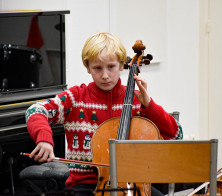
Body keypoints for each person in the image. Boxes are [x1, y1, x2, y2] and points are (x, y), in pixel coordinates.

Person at [25, 32, 182, 196]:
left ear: (122, 65)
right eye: (98, 68)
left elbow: (175, 135)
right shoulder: (76, 98)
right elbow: (36, 110)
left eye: (111, 67)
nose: (105, 75)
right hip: (85, 186)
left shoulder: (137, 101)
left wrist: (149, 105)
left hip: (132, 184)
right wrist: (44, 139)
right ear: (88, 68)